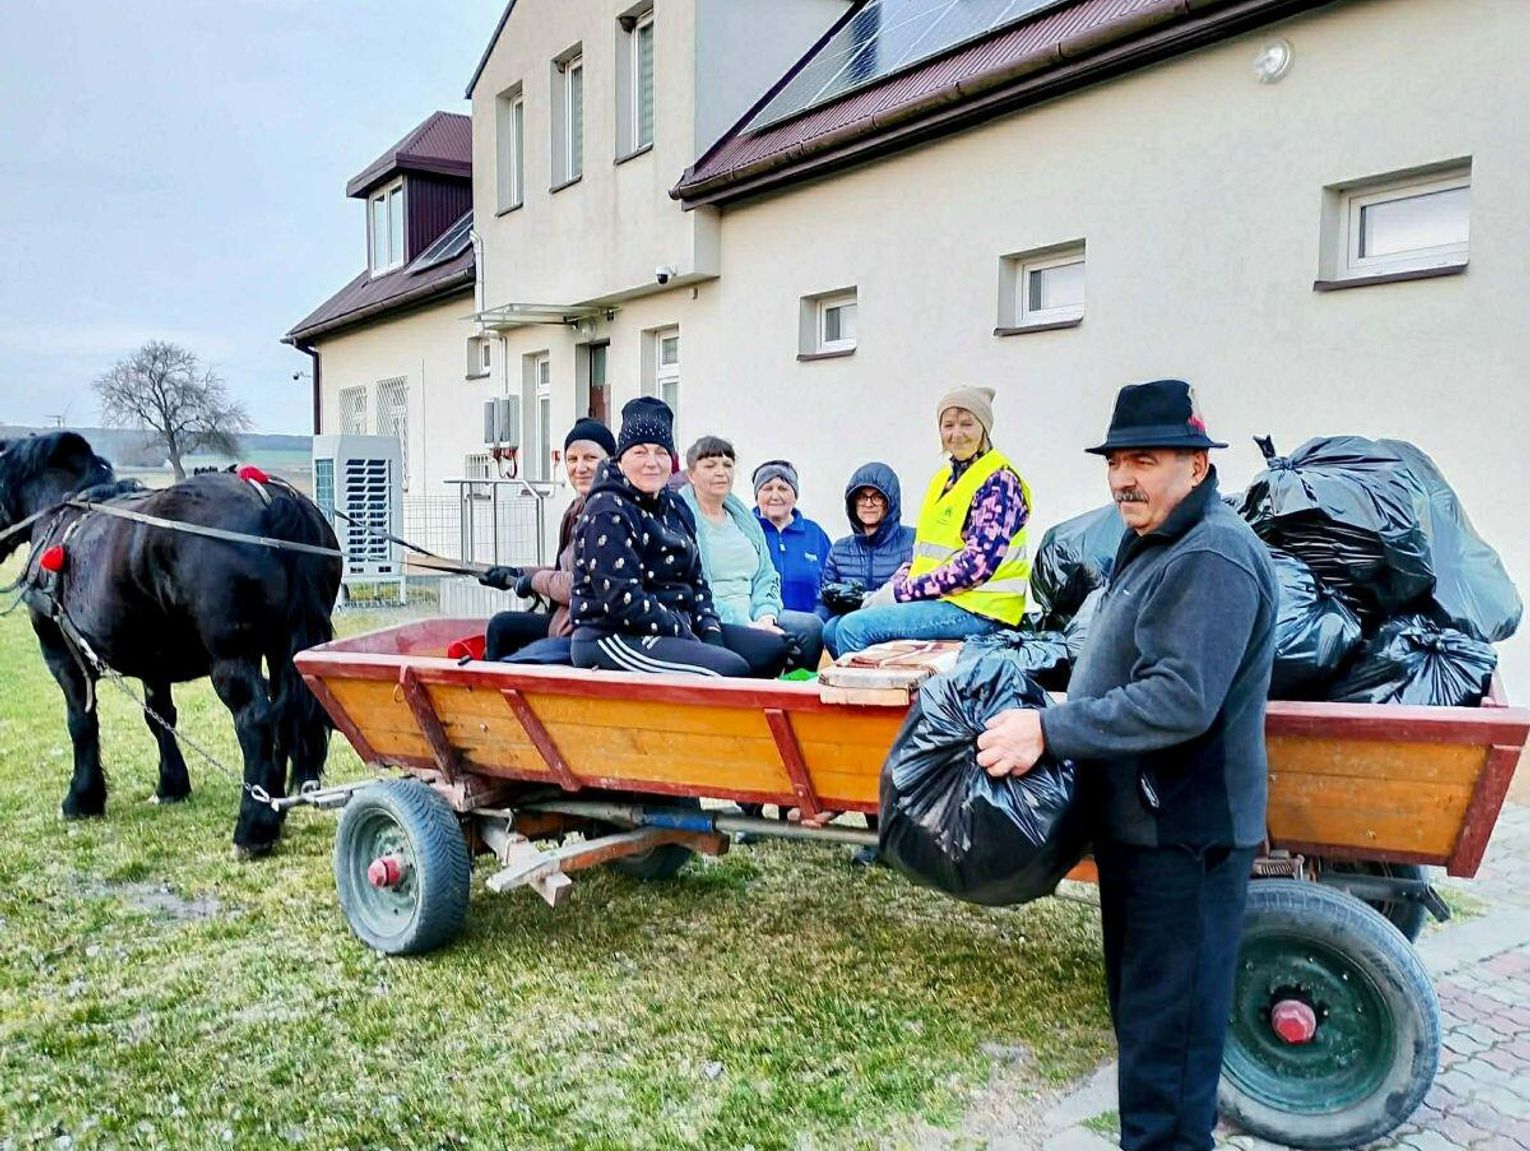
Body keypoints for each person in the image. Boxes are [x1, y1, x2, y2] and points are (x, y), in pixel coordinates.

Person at [976, 379, 1277, 1151]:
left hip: (1185, 836)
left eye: (1144, 459)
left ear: (1198, 466)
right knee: (1150, 1036)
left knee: (1168, 1062)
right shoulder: (1157, 542)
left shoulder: (1212, 554)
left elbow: (1180, 699)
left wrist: (1052, 728)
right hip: (1146, 832)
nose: (1122, 478)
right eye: (1115, 461)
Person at [828, 387, 1031, 656]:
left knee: (853, 629)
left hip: (982, 610)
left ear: (984, 427)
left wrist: (900, 595)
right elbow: (922, 557)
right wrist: (889, 588)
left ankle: (877, 696)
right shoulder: (941, 481)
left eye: (967, 424)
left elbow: (975, 567)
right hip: (944, 601)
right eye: (948, 425)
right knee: (832, 629)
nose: (956, 434)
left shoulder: (998, 481)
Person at [569, 398, 754, 678]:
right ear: (621, 458)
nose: (651, 463)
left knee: (779, 649)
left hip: (677, 627)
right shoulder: (606, 510)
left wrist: (711, 631)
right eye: (640, 452)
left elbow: (698, 581)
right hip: (612, 635)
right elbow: (624, 601)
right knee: (731, 669)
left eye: (661, 452)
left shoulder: (677, 507)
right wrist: (691, 637)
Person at [678, 437, 824, 673]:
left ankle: (790, 701)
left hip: (755, 611)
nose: (720, 472)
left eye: (727, 465)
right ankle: (759, 704)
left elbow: (766, 573)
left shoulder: (743, 519)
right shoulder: (680, 517)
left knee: (810, 628)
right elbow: (691, 588)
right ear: (691, 475)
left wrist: (766, 616)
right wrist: (748, 624)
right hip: (712, 616)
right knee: (771, 644)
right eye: (710, 465)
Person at [479, 418, 614, 662]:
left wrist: (532, 581)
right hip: (566, 620)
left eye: (590, 458)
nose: (580, 468)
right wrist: (516, 572)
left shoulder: (605, 513)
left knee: (501, 627)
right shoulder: (577, 509)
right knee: (502, 628)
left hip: (588, 628)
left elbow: (582, 584)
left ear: (611, 462)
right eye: (572, 459)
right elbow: (561, 570)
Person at [817, 462, 916, 660]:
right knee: (830, 629)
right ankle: (856, 679)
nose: (868, 503)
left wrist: (870, 599)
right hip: (852, 625)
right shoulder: (840, 549)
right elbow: (824, 601)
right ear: (852, 504)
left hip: (898, 623)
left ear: (891, 502)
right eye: (862, 497)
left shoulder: (913, 541)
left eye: (877, 497)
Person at [751, 459, 832, 616]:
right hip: (757, 628)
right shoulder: (744, 531)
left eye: (783, 488)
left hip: (810, 629)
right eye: (767, 489)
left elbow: (830, 586)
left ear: (795, 496)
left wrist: (818, 620)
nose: (775, 496)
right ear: (757, 496)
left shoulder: (815, 534)